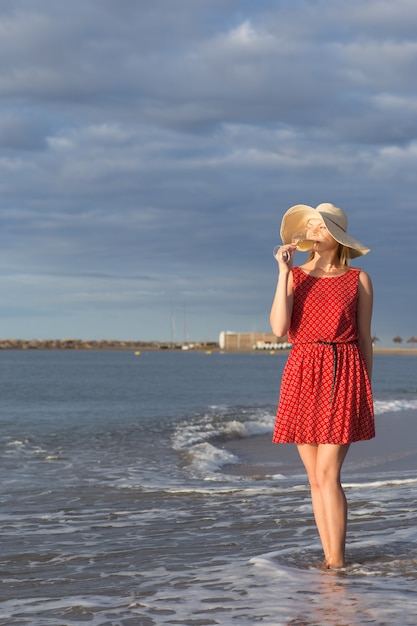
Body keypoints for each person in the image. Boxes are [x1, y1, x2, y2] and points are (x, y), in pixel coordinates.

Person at [270, 202, 375, 570]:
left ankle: (338, 563)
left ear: (337, 237)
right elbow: (279, 329)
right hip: (302, 371)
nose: (313, 230)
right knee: (315, 478)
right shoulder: (295, 276)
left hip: (343, 372)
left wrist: (365, 388)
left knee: (329, 473)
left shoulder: (357, 279)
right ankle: (330, 561)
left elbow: (364, 338)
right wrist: (283, 272)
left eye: (321, 225)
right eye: (311, 224)